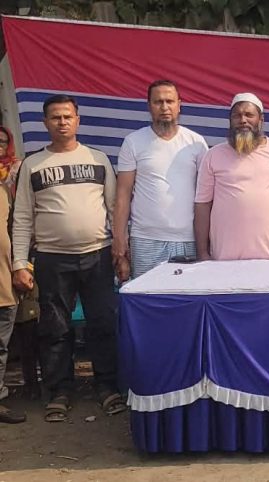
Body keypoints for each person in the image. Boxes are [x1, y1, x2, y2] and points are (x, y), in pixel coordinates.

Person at [11, 94, 124, 422]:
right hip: (51, 258)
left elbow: (115, 208)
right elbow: (22, 217)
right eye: (55, 117)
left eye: (67, 116)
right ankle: (59, 391)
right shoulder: (33, 165)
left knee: (102, 323)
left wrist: (121, 252)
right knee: (55, 327)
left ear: (78, 120)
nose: (62, 122)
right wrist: (19, 263)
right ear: (45, 122)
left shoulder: (98, 159)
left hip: (98, 255)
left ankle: (107, 387)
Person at [112, 80, 209, 280]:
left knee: (185, 296)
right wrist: (119, 239)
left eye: (169, 101)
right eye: (158, 102)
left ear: (179, 105)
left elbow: (206, 197)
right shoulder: (133, 142)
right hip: (146, 239)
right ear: (149, 106)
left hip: (188, 239)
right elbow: (122, 195)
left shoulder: (196, 143)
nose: (164, 107)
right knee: (147, 296)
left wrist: (207, 241)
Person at [194, 93, 269, 261]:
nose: (243, 120)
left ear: (261, 119)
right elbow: (202, 204)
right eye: (237, 116)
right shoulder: (213, 155)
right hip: (225, 259)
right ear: (230, 120)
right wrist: (202, 252)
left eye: (249, 115)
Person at [0, 170, 24, 423]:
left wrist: (20, 268)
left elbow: (17, 231)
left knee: (0, 348)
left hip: (3, 285)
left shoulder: (4, 192)